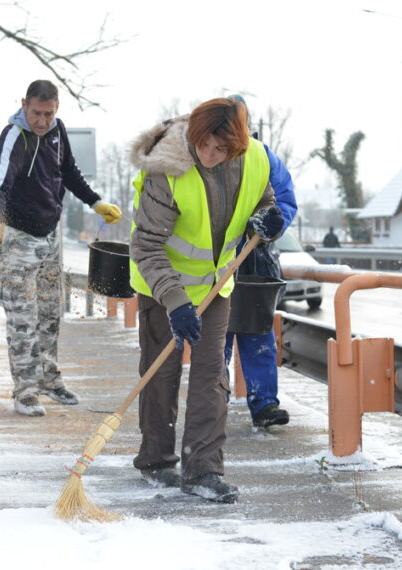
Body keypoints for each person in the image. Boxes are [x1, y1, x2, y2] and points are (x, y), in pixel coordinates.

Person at [128, 97, 283, 503]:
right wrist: (176, 302)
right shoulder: (169, 167)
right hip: (162, 285)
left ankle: (203, 470)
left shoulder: (255, 160)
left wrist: (267, 223)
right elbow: (146, 245)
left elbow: (264, 205)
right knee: (161, 375)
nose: (210, 156)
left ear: (238, 145)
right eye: (204, 147)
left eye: (221, 150)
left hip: (217, 285)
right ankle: (157, 460)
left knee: (212, 375)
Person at [0, 79, 122, 417]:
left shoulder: (58, 132)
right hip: (16, 237)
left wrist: (96, 202)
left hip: (49, 237)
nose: (42, 121)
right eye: (36, 113)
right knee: (22, 318)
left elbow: (68, 172)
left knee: (50, 313)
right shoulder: (15, 136)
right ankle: (25, 392)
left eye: (49, 113)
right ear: (24, 104)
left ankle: (48, 379)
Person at [223, 95, 298, 429]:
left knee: (258, 334)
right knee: (215, 336)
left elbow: (284, 200)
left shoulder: (263, 157)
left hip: (256, 260)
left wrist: (268, 222)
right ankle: (213, 400)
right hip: (215, 262)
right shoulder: (208, 154)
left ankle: (264, 404)